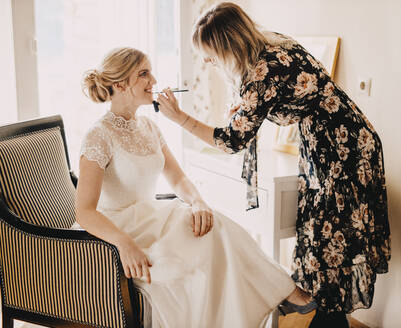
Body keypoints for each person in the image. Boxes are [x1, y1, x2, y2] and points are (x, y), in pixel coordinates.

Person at [155, 2, 391, 326]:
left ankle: (327, 320)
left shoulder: (262, 71)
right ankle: (323, 317)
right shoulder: (270, 43)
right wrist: (246, 109)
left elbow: (231, 141)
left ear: (228, 45)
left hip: (343, 148)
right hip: (334, 139)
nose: (207, 61)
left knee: (331, 243)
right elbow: (277, 98)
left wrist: (179, 117)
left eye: (209, 52)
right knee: (323, 240)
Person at [75, 47, 315, 328]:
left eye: (150, 71)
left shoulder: (150, 128)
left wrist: (198, 202)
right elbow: (84, 211)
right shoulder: (98, 135)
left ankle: (289, 295)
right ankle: (293, 297)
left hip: (151, 219)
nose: (153, 79)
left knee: (214, 226)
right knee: (195, 262)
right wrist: (124, 244)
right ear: (119, 84)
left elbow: (178, 179)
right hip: (119, 231)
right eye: (143, 73)